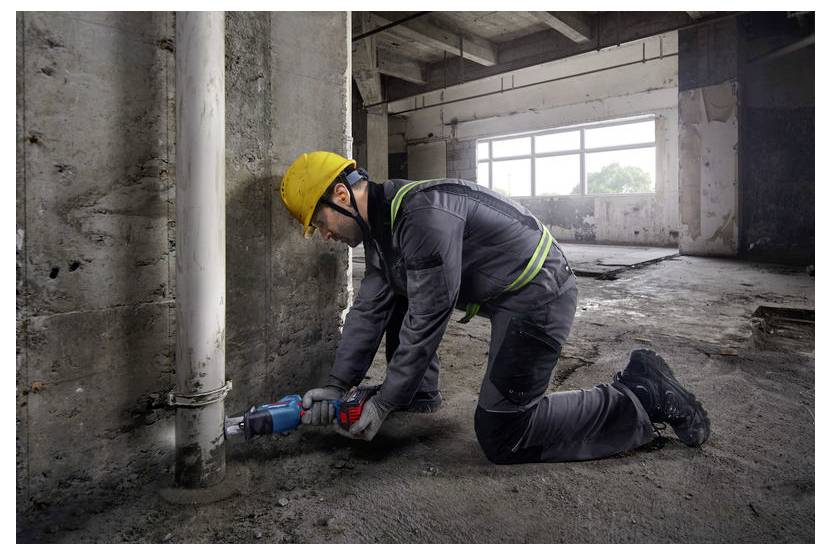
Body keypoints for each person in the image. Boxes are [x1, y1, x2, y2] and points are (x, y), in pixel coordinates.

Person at [279, 151, 710, 463]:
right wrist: (338, 385)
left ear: (341, 194)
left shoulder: (422, 218)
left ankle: (640, 395)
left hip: (540, 294)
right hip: (508, 293)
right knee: (393, 290)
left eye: (320, 222)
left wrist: (383, 401)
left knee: (504, 434)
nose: (324, 235)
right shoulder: (382, 228)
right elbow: (369, 311)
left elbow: (429, 317)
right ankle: (420, 396)